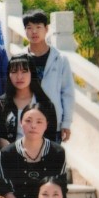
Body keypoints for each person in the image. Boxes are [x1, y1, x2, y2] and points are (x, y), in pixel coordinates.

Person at [0, 104, 68, 198]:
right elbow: (4, 189)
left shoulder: (57, 152)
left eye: (39, 122)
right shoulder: (7, 153)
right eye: (28, 121)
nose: (33, 126)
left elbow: (61, 187)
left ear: (46, 125)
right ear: (20, 122)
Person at [23, 10, 75, 142]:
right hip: (27, 123)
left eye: (38, 27)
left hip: (53, 122)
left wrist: (66, 123)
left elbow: (67, 92)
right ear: (25, 30)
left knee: (52, 155)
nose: (34, 31)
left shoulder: (60, 59)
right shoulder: (19, 58)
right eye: (29, 27)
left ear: (46, 29)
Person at [0, 56, 61, 147]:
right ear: (9, 75)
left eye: (24, 71)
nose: (19, 76)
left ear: (32, 73)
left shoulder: (46, 105)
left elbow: (51, 139)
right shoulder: (0, 104)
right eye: (14, 72)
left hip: (39, 153)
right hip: (9, 153)